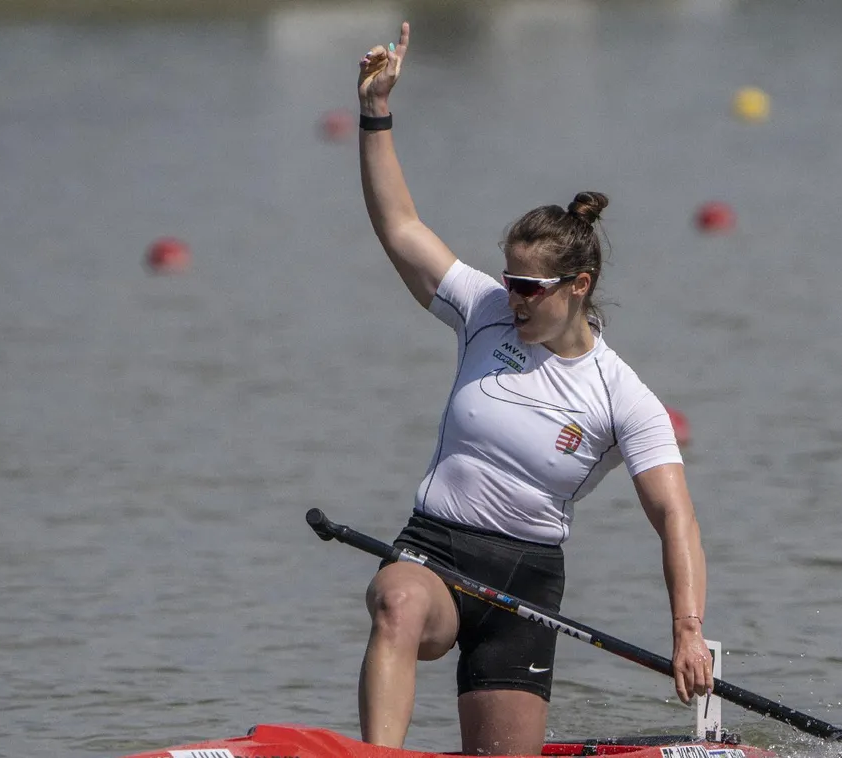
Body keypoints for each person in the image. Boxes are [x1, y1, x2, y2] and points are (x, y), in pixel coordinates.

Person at [354, 22, 714, 757]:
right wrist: (375, 112)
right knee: (393, 601)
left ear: (578, 287)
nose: (511, 298)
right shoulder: (482, 312)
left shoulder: (623, 398)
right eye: (508, 280)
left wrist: (686, 632)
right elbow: (399, 225)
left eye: (529, 287)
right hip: (435, 552)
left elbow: (674, 516)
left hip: (525, 583)